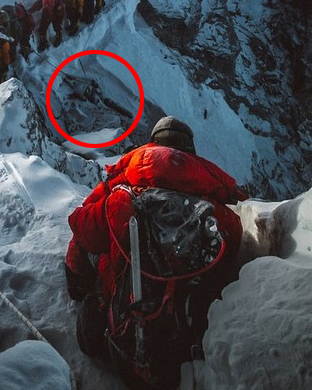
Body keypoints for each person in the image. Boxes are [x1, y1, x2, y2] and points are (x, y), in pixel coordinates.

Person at [65, 116, 247, 386]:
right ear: (191, 154)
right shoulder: (220, 217)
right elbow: (226, 258)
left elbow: (82, 229)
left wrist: (76, 280)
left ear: (150, 147)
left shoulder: (122, 199)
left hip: (125, 340)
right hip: (181, 349)